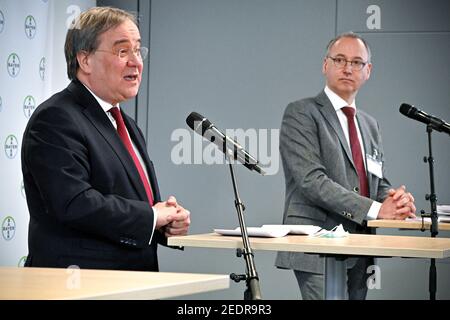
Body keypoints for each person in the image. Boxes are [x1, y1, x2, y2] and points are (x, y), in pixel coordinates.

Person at [21, 7, 190, 271]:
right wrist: (152, 215)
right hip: (80, 286)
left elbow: (135, 208)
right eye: (123, 51)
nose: (136, 62)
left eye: (138, 50)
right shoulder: (56, 118)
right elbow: (74, 203)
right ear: (85, 60)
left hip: (134, 284)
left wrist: (164, 223)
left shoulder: (127, 125)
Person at [275, 32, 416, 300]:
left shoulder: (370, 124)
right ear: (325, 65)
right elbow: (311, 181)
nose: (347, 68)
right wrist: (377, 210)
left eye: (356, 62)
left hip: (361, 244)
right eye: (339, 59)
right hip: (317, 244)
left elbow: (375, 181)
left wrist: (395, 199)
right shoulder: (301, 113)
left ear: (368, 71)